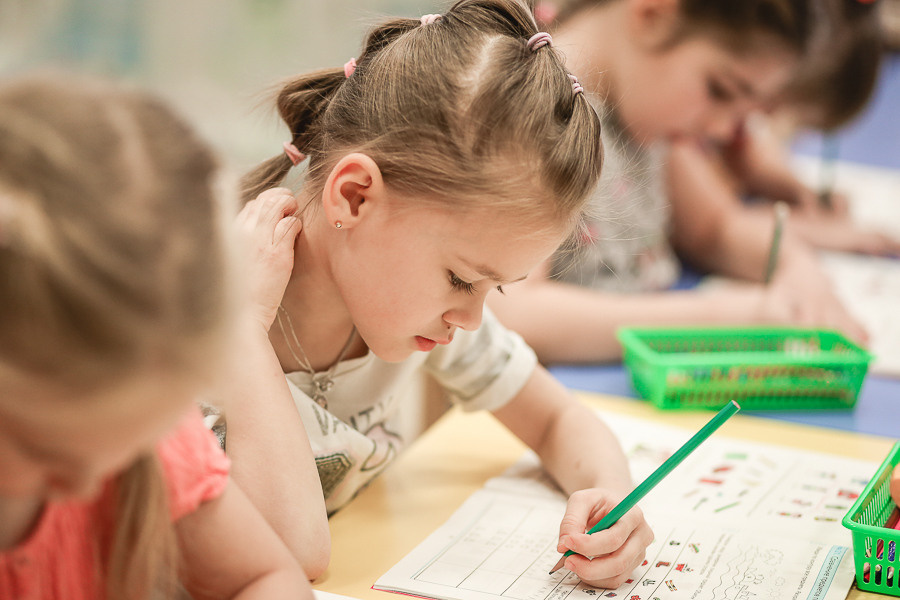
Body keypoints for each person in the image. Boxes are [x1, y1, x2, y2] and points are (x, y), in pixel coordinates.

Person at [211, 0, 654, 588]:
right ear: (355, 198)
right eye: (463, 279)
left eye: (494, 287)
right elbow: (291, 552)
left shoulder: (408, 308)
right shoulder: (207, 326)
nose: (472, 318)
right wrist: (243, 329)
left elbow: (556, 420)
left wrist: (610, 499)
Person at [0, 74, 313, 599]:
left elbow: (268, 577)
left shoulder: (130, 430)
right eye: (41, 448)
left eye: (123, 450)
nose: (81, 487)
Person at [487, 0, 870, 365]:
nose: (722, 130)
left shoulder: (642, 107)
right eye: (719, 90)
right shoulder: (537, 112)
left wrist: (794, 263)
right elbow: (512, 313)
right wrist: (720, 318)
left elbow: (716, 228)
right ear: (653, 14)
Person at [669, 0, 900, 258]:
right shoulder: (673, 122)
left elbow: (746, 153)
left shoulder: (725, 97)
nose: (760, 116)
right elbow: (711, 226)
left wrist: (796, 190)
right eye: (772, 103)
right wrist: (800, 227)